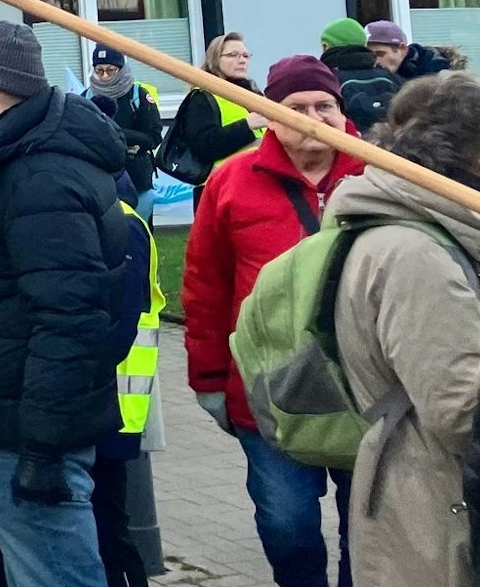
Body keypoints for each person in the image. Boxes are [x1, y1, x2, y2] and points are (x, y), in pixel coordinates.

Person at [0, 20, 127, 587]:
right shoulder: (13, 158)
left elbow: (71, 318)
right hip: (11, 423)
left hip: (27, 433)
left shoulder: (40, 177)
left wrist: (42, 448)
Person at [182, 55, 363, 587]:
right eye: (296, 108)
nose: (314, 119)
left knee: (369, 528)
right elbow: (205, 286)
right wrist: (209, 378)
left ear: (342, 110)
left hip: (367, 387)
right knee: (287, 524)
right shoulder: (232, 181)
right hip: (272, 389)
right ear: (270, 114)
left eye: (324, 106)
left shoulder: (381, 174)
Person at [324, 75, 480, 586]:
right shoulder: (417, 256)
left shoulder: (445, 236)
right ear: (474, 157)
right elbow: (461, 416)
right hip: (438, 514)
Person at [93, 197, 163, 587]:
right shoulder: (116, 215)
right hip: (105, 402)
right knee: (107, 523)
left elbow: (123, 319)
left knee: (110, 528)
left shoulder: (121, 222)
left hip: (114, 404)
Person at [170, 33, 266, 189]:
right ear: (215, 60)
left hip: (256, 181)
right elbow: (204, 146)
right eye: (233, 55)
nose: (242, 60)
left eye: (245, 56)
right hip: (220, 186)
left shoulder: (253, 94)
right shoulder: (202, 97)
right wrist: (247, 125)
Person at [86, 46, 162, 209]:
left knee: (139, 223)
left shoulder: (138, 95)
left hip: (137, 178)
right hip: (99, 179)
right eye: (99, 70)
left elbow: (154, 136)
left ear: (121, 69)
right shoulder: (86, 97)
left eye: (110, 70)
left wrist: (121, 137)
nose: (104, 76)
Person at [317, 17, 403, 136]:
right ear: (364, 44)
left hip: (349, 144)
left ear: (325, 46)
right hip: (391, 142)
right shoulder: (391, 77)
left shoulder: (325, 80)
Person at [365, 18, 456, 81]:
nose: (375, 61)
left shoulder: (436, 71)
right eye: (369, 56)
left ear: (402, 49)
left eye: (380, 54)